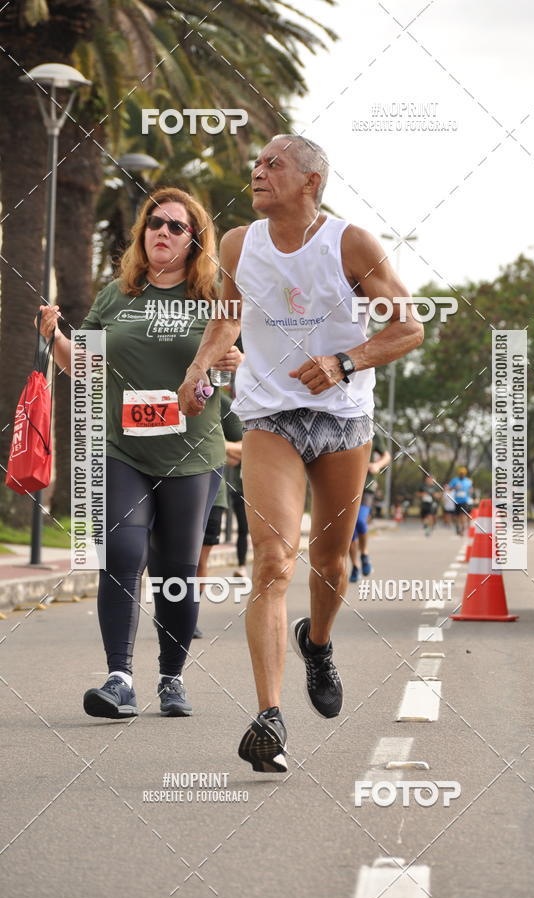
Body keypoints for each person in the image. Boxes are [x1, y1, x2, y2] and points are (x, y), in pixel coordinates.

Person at [178, 135, 423, 772]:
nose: (257, 172)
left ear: (311, 181)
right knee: (272, 562)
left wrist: (348, 360)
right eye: (256, 164)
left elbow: (409, 325)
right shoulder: (238, 243)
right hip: (269, 415)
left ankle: (317, 644)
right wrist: (200, 367)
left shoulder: (350, 244)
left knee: (331, 561)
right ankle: (270, 716)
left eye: (272, 164)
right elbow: (227, 319)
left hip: (343, 419)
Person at [38, 187, 226, 719]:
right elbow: (84, 363)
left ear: (194, 241)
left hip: (191, 453)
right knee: (120, 554)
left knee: (176, 571)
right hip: (121, 447)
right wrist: (54, 338)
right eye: (155, 223)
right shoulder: (117, 295)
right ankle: (120, 678)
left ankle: (172, 677)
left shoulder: (213, 298)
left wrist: (230, 360)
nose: (162, 232)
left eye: (176, 226)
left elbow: (244, 357)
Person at [192, 382, 244, 640]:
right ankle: (167, 609)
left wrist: (211, 441)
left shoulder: (220, 402)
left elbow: (244, 449)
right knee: (170, 559)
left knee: (198, 561)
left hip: (213, 493)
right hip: (164, 485)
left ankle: (187, 615)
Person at [348, 433, 391, 581]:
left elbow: (387, 456)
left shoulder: (372, 432)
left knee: (360, 521)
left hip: (367, 485)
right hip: (346, 486)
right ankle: (355, 566)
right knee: (349, 529)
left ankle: (364, 554)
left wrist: (377, 465)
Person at [449, 466, 474, 535]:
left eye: (463, 473)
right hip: (456, 501)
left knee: (463, 515)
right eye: (460, 473)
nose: (462, 474)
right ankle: (458, 527)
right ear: (458, 473)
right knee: (456, 516)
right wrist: (454, 487)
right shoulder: (455, 480)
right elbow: (449, 488)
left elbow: (471, 489)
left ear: (465, 474)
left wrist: (471, 492)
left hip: (464, 501)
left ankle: (463, 528)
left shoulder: (468, 481)